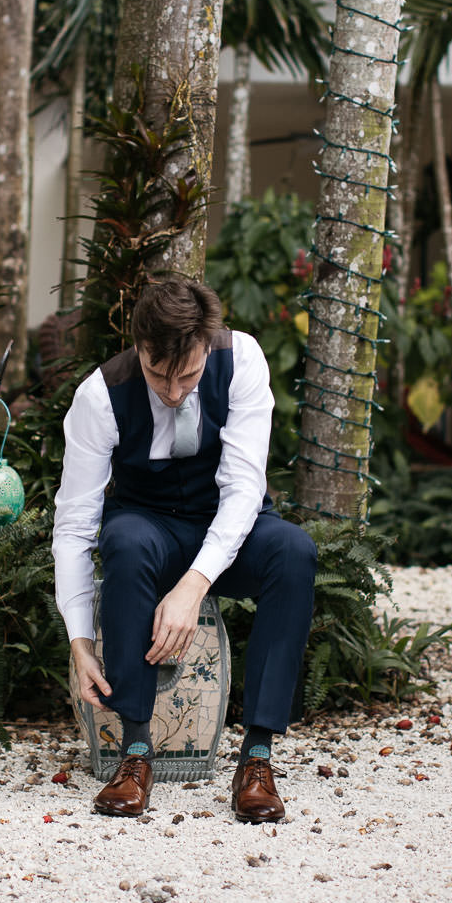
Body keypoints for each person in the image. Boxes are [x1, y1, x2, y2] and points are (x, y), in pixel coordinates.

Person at [51, 278, 317, 821]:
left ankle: (258, 756)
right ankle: (136, 751)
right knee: (121, 540)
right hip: (147, 524)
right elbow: (75, 524)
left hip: (228, 527)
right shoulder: (99, 396)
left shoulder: (241, 359)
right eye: (157, 374)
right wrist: (78, 641)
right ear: (138, 346)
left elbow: (245, 488)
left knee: (293, 550)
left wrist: (194, 585)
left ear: (207, 343)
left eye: (188, 375)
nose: (173, 391)